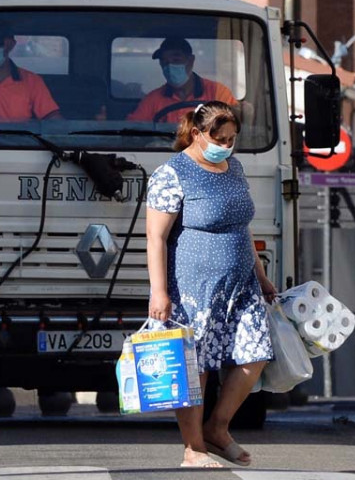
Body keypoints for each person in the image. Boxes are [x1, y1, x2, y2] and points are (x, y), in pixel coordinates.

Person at [145, 101, 277, 469]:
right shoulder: (172, 173)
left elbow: (242, 225)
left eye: (233, 138)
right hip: (194, 287)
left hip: (241, 284)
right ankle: (193, 448)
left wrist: (261, 275)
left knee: (256, 354)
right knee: (196, 367)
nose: (228, 145)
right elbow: (155, 237)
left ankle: (218, 427)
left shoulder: (234, 167)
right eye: (220, 138)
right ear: (197, 133)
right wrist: (159, 291)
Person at [127, 37, 238, 124]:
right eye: (165, 62)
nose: (170, 66)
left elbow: (235, 123)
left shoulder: (217, 93)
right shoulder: (153, 99)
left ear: (190, 60)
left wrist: (244, 113)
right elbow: (132, 129)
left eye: (176, 60)